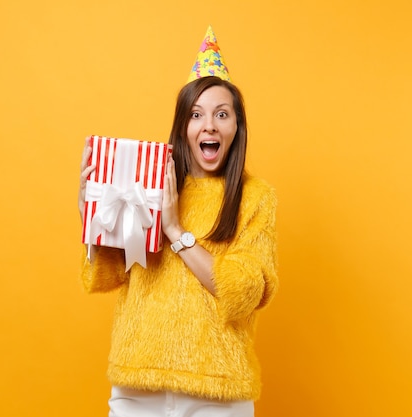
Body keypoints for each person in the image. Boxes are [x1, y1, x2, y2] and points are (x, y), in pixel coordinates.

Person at [78, 26, 278, 417]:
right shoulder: (147, 180)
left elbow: (246, 290)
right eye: (196, 115)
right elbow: (108, 273)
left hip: (218, 392)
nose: (209, 126)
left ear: (236, 128)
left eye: (222, 115)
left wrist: (175, 231)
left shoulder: (256, 197)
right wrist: (94, 214)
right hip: (137, 386)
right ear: (183, 127)